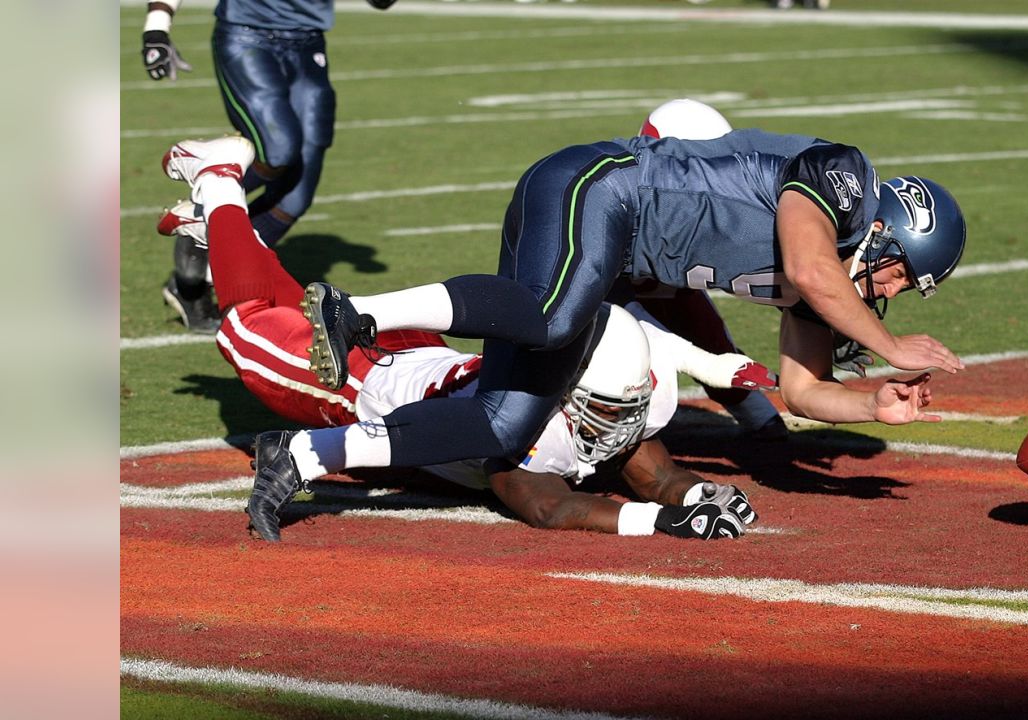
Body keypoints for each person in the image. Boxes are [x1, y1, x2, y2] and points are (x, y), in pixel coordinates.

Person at [180, 126, 962, 536]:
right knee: (553, 316)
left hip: (616, 249)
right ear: (889, 231)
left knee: (505, 421)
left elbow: (801, 389)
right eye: (899, 274)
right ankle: (366, 314)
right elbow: (815, 265)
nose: (890, 293)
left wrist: (872, 404)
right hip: (601, 188)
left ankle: (306, 456)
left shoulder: (816, 282)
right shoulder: (843, 179)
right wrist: (893, 348)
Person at [140, 0, 398, 333]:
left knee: (296, 196)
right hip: (248, 38)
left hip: (309, 42)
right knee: (278, 149)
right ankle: (208, 206)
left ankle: (200, 265)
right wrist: (157, 27)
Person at [629, 99, 790, 442]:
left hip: (656, 288)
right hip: (590, 309)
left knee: (687, 311)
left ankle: (754, 412)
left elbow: (698, 317)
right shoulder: (622, 203)